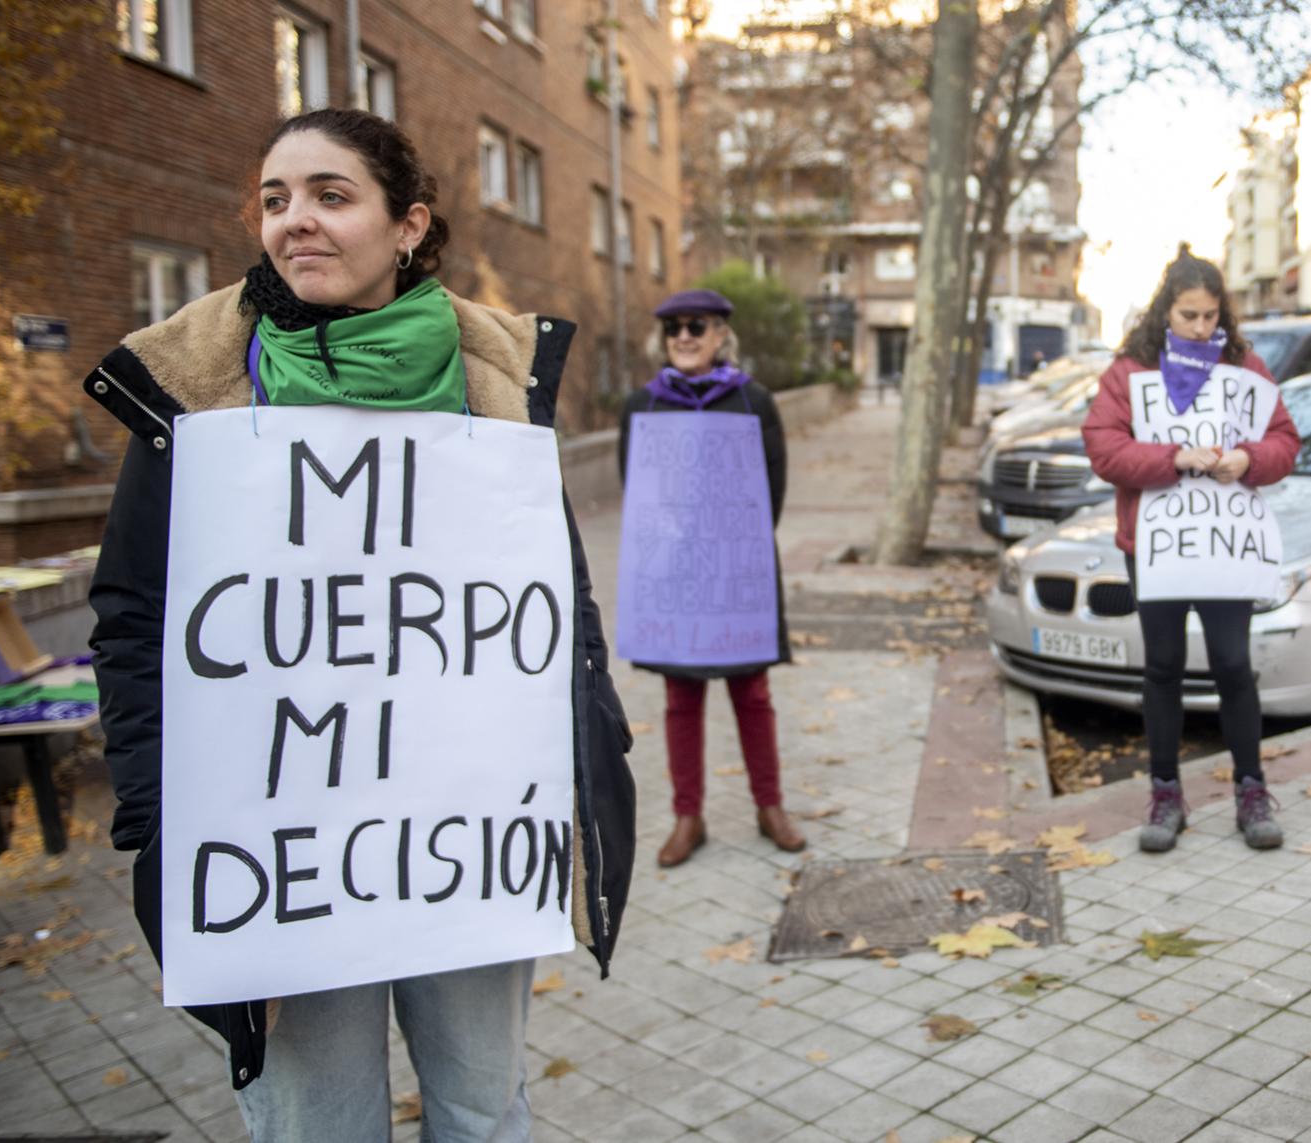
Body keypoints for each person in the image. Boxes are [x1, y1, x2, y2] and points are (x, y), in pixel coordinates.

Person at [83, 109, 636, 1140]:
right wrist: (164, 819)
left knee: (481, 1110)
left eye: (331, 196)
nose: (296, 221)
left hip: (461, 843)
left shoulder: (494, 389)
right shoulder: (194, 396)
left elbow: (554, 604)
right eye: (275, 199)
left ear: (408, 226)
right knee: (315, 1125)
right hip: (276, 861)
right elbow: (131, 621)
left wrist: (583, 748)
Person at [1082, 244, 1301, 853]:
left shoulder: (1244, 365)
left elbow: (1285, 440)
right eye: (1189, 317)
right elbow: (1102, 447)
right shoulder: (1131, 371)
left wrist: (1248, 459)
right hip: (1157, 544)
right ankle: (1165, 794)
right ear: (1165, 313)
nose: (1202, 328)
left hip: (1225, 544)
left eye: (1210, 316)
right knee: (1163, 666)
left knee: (1233, 663)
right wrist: (1173, 458)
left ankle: (1252, 792)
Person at [618, 289, 804, 868]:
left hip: (738, 570)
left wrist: (729, 549)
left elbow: (770, 491)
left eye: (696, 325)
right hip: (674, 577)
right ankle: (687, 816)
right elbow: (639, 494)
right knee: (681, 697)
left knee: (753, 693)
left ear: (721, 332)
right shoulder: (642, 408)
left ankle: (769, 806)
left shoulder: (753, 402)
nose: (684, 336)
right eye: (673, 327)